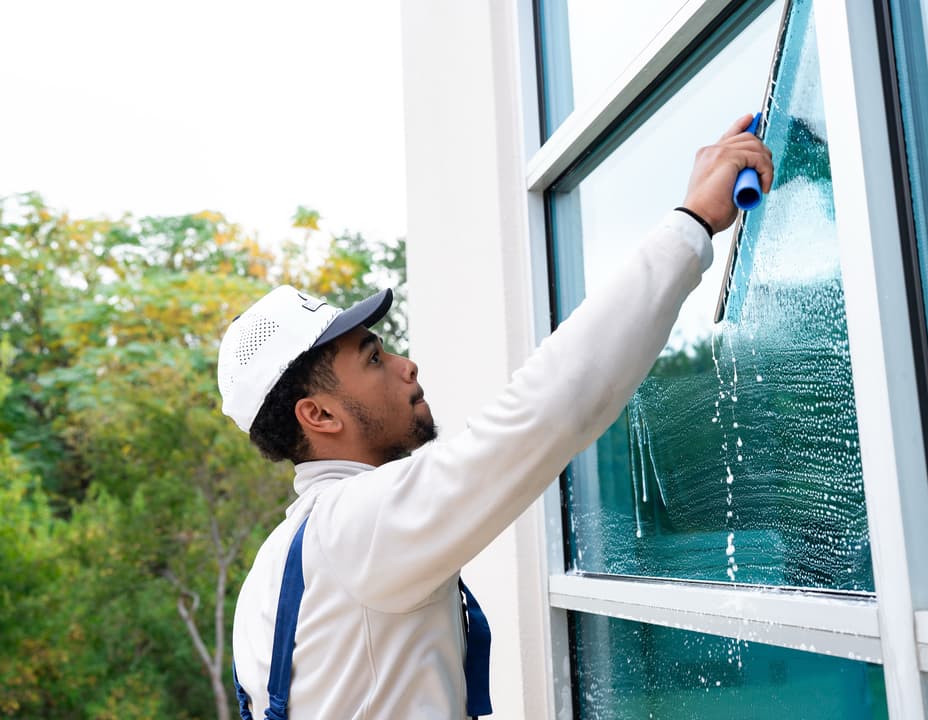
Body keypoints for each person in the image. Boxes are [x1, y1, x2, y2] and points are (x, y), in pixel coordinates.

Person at [219, 114, 773, 719]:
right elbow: (546, 409)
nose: (406, 365)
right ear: (318, 414)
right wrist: (691, 224)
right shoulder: (357, 529)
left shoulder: (276, 566)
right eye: (374, 358)